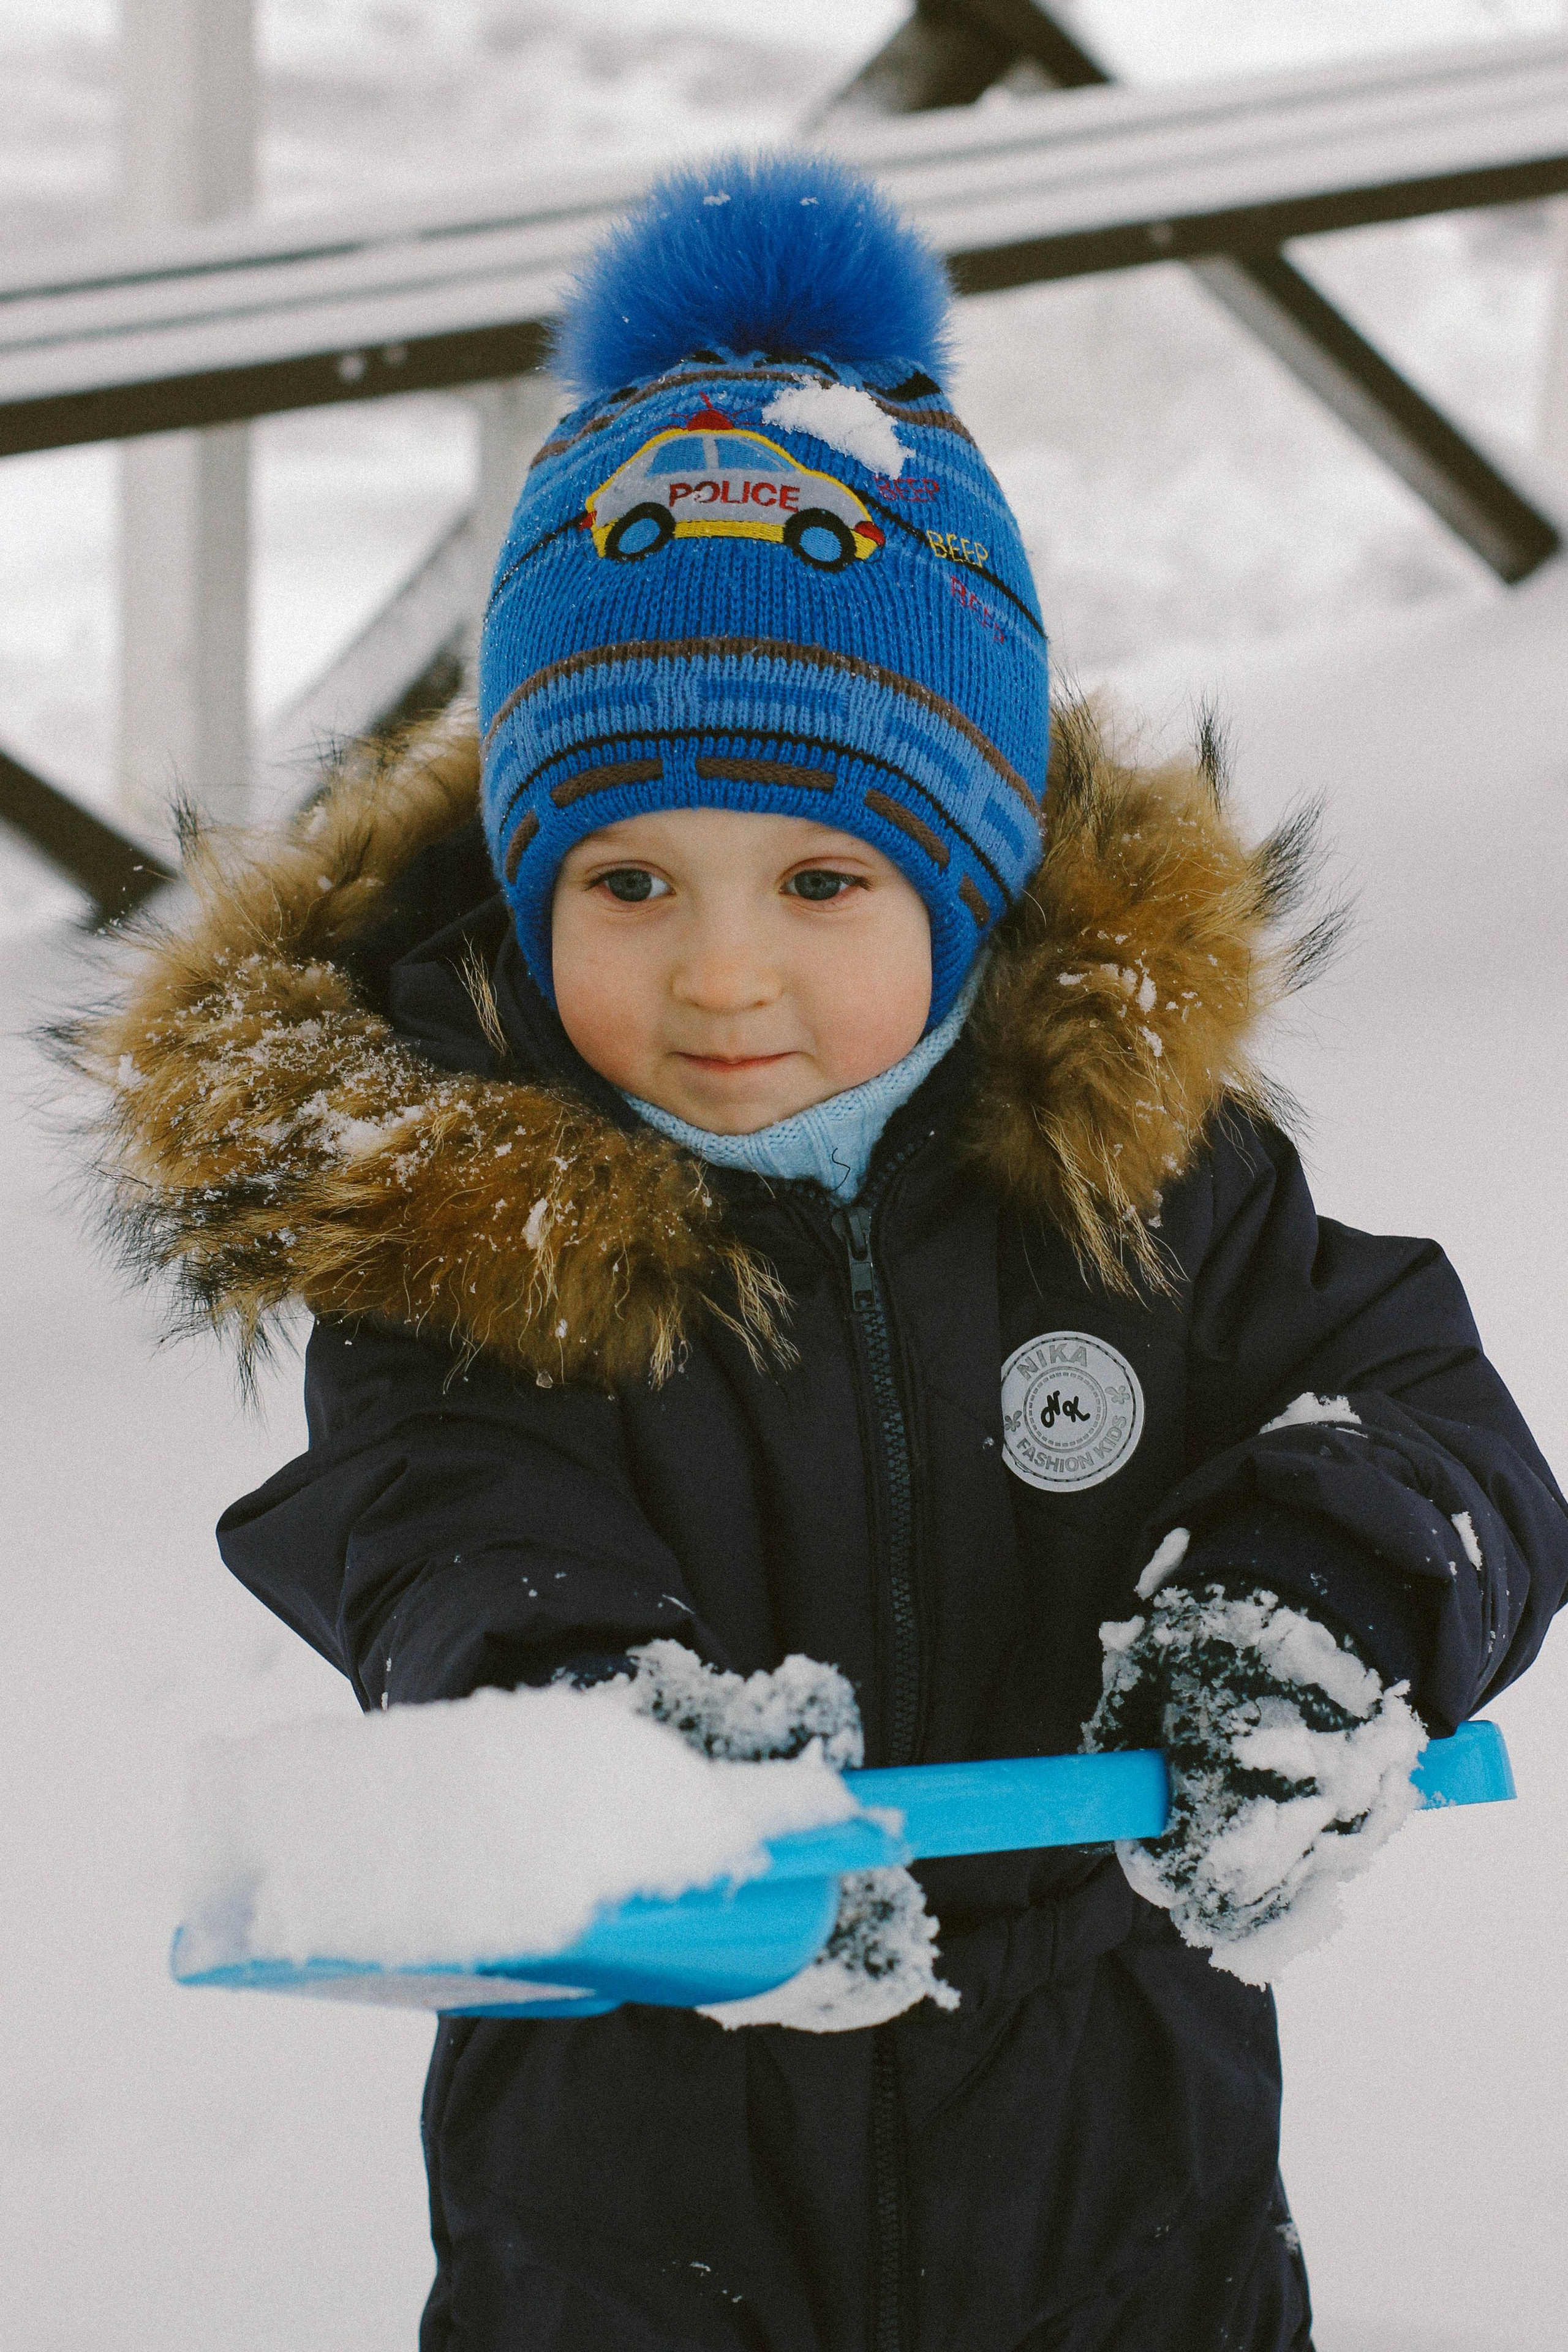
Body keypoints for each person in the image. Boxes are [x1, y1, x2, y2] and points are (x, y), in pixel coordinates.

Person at [78, 153, 1568, 2351]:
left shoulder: (1145, 1182)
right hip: (635, 2215)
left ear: (968, 882)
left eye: (822, 883)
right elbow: (439, 1529)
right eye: (630, 884)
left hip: (1122, 2185)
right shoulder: (479, 1242)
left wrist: (1320, 1611)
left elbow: (1425, 1420)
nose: (720, 976)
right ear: (527, 894)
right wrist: (615, 1756)